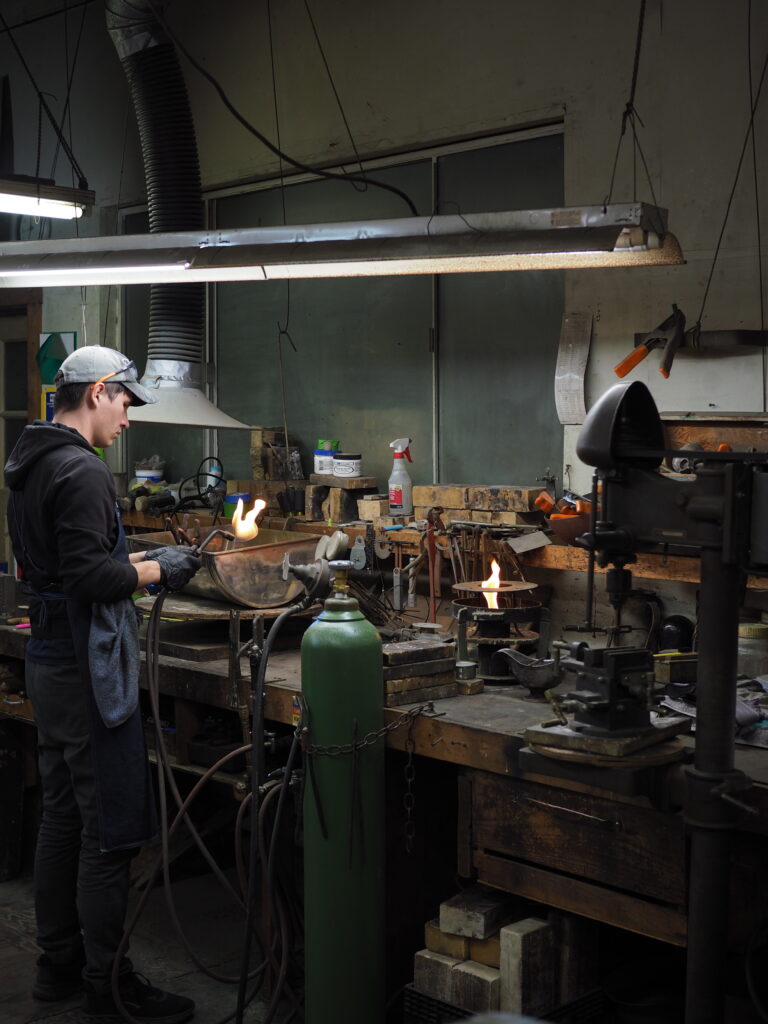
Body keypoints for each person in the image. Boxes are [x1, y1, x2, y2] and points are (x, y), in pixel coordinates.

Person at [5, 346, 201, 1023]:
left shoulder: (32, 462)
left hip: (50, 658)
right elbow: (94, 578)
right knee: (108, 832)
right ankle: (108, 985)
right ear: (97, 392)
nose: (127, 418)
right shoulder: (82, 472)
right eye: (125, 403)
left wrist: (152, 557)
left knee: (61, 815)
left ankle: (57, 968)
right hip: (85, 670)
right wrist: (159, 572)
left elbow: (72, 564)